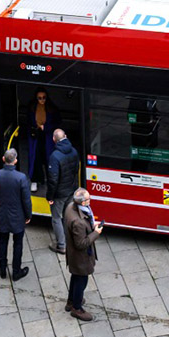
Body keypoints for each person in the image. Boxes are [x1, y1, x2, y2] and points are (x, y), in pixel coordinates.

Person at [0, 149, 31, 281]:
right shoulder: (21, 178)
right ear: (15, 160)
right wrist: (28, 215)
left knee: (2, 241)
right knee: (18, 244)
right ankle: (16, 271)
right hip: (18, 217)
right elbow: (26, 200)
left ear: (3, 159)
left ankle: (2, 268)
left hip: (2, 215)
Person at [64, 187, 102, 321]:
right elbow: (81, 243)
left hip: (74, 256)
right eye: (88, 199)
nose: (90, 200)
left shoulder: (70, 207)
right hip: (81, 257)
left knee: (75, 277)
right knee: (81, 280)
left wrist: (91, 225)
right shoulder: (78, 222)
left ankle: (71, 301)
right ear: (83, 202)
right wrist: (96, 233)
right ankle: (77, 308)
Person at [46, 128, 80, 254]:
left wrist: (50, 196)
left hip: (60, 193)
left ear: (54, 139)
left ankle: (61, 245)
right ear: (65, 136)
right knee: (68, 216)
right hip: (71, 189)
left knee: (56, 217)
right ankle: (70, 240)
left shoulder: (55, 156)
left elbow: (53, 179)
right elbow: (76, 169)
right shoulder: (74, 151)